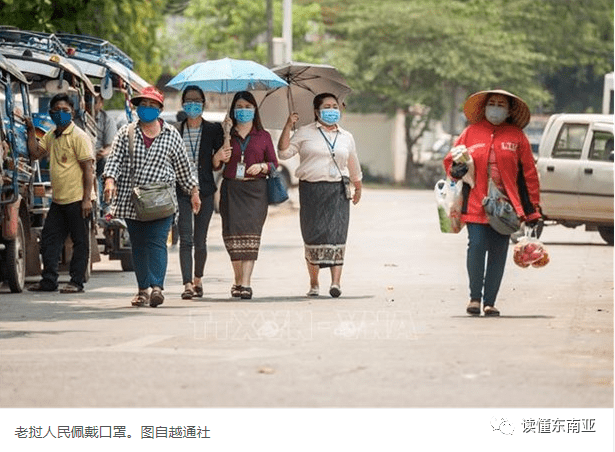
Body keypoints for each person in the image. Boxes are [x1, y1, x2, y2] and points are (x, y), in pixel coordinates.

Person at [443, 89, 541, 317]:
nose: (495, 108)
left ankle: (490, 302)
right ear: (484, 108)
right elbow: (451, 161)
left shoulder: (517, 137)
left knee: (498, 252)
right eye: (492, 103)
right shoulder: (470, 133)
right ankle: (474, 297)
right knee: (476, 246)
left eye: (501, 105)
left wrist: (533, 210)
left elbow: (529, 174)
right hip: (476, 203)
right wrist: (455, 168)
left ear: (508, 112)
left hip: (506, 208)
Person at [103, 86, 200, 307]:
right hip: (133, 201)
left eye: (151, 105)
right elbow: (114, 160)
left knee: (157, 242)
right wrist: (110, 180)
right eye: (143, 105)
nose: (146, 109)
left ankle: (157, 287)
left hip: (162, 202)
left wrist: (193, 191)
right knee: (138, 245)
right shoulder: (126, 132)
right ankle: (142, 290)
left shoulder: (171, 134)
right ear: (137, 109)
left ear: (159, 108)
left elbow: (184, 167)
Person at [278, 92, 362, 298]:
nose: (332, 110)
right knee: (312, 235)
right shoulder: (305, 132)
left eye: (335, 106)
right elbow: (283, 152)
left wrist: (358, 186)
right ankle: (314, 282)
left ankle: (336, 283)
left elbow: (353, 164)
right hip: (311, 190)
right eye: (327, 107)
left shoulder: (346, 137)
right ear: (316, 111)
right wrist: (288, 125)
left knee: (337, 235)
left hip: (338, 190)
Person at [26, 93, 95, 293]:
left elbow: (88, 169)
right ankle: (49, 281)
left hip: (77, 199)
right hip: (58, 200)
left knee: (79, 242)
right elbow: (36, 154)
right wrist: (31, 131)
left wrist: (86, 199)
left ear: (72, 112)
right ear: (51, 113)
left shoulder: (79, 137)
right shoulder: (51, 135)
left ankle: (76, 282)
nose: (61, 114)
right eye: (57, 111)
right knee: (49, 240)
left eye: (65, 111)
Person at [212, 91, 277, 300]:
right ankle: (237, 280)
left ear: (255, 110)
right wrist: (218, 154)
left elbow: (274, 164)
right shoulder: (226, 134)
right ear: (233, 110)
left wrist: (262, 166)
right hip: (231, 190)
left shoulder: (263, 136)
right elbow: (215, 165)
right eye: (239, 106)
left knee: (251, 235)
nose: (244, 111)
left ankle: (246, 283)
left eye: (248, 107)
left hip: (256, 192)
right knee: (231, 236)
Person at [174, 86, 224, 299]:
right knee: (185, 239)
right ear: (183, 104)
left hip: (204, 190)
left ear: (204, 104)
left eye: (197, 101)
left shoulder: (214, 129)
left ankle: (198, 280)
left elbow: (217, 165)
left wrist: (219, 154)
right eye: (188, 101)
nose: (193, 104)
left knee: (200, 240)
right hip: (181, 190)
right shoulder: (175, 129)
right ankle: (187, 284)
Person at [93, 90, 117, 216]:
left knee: (106, 163)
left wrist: (101, 154)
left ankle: (106, 206)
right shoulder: (78, 118)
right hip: (81, 158)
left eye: (94, 101)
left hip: (99, 160)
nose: (90, 103)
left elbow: (110, 147)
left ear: (101, 103)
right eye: (87, 99)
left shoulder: (107, 120)